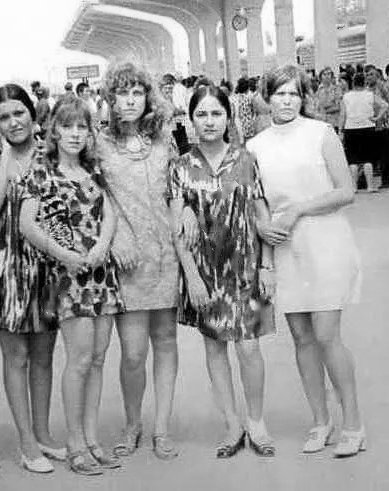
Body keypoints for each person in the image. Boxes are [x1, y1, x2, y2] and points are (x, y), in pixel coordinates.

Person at [247, 64, 365, 458]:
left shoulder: (321, 133)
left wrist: (298, 209)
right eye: (279, 93)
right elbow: (260, 207)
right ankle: (320, 421)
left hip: (326, 241)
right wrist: (266, 257)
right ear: (266, 97)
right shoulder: (255, 146)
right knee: (301, 338)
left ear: (303, 97)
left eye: (294, 93)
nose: (287, 101)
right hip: (285, 249)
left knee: (327, 335)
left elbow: (346, 191)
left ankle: (353, 423)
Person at [169, 85, 276, 458]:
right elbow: (177, 228)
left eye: (216, 113)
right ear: (191, 120)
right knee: (215, 347)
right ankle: (232, 424)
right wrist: (192, 277)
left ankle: (256, 421)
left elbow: (262, 215)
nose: (210, 121)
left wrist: (267, 265)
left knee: (249, 347)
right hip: (205, 273)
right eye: (202, 114)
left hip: (245, 267)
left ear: (228, 117)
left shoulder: (247, 159)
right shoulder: (181, 166)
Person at [19, 97, 124, 476]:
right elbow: (27, 224)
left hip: (100, 273)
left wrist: (101, 246)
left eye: (82, 126)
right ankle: (75, 444)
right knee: (78, 361)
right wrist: (62, 254)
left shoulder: (94, 170)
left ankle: (93, 440)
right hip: (68, 277)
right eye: (68, 126)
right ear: (55, 131)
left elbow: (109, 213)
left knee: (97, 359)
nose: (76, 134)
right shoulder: (41, 172)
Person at [96, 61, 180, 460]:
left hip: (165, 255)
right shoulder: (99, 145)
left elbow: (178, 192)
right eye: (122, 93)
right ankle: (132, 424)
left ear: (148, 97)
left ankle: (162, 427)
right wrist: (114, 239)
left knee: (165, 341)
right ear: (110, 99)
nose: (129, 100)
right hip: (127, 259)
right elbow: (95, 199)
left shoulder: (164, 141)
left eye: (136, 92)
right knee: (132, 353)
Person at [0, 83, 64, 474]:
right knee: (16, 358)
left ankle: (43, 434)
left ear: (33, 114)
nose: (13, 122)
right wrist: (4, 158)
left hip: (48, 269)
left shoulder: (54, 155)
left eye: (19, 113)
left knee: (44, 357)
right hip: (6, 272)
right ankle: (27, 442)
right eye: (4, 117)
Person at [340, 72, 386, 192]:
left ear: (353, 83)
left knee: (353, 160)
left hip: (350, 128)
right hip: (367, 127)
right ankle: (370, 186)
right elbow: (385, 105)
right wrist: (377, 118)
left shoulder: (346, 96)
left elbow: (343, 115)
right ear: (364, 82)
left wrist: (341, 130)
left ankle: (354, 187)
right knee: (368, 158)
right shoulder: (370, 95)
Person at [365, 64, 389, 189]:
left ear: (377, 75)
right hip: (373, 124)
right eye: (367, 75)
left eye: (371, 74)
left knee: (387, 152)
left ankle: (386, 179)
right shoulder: (366, 89)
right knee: (376, 151)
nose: (369, 77)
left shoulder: (384, 86)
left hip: (386, 123)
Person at [315, 67, 343, 133]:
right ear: (321, 77)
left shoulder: (337, 89)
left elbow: (338, 107)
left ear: (331, 76)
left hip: (334, 122)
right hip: (322, 123)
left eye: (328, 74)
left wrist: (324, 110)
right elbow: (316, 107)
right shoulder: (318, 91)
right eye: (324, 74)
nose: (327, 76)